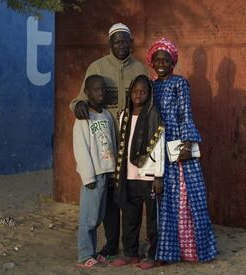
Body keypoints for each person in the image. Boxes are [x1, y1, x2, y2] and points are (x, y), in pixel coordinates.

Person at [69, 23, 148, 260]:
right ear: (109, 44)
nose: (121, 45)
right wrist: (78, 105)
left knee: (131, 195)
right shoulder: (97, 67)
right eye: (116, 41)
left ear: (131, 43)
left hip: (132, 143)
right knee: (111, 198)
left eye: (125, 41)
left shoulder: (139, 69)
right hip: (106, 148)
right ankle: (111, 244)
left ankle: (130, 246)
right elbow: (79, 100)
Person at [146, 38, 218, 262]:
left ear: (172, 62)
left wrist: (187, 142)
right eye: (157, 59)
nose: (161, 63)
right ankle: (166, 251)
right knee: (163, 199)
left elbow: (186, 114)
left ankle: (192, 251)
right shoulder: (151, 85)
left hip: (178, 147)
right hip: (157, 146)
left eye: (165, 60)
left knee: (185, 198)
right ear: (151, 62)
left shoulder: (180, 83)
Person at [111, 75, 165, 269]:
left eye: (143, 91)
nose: (139, 95)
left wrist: (158, 175)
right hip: (129, 175)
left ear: (149, 94)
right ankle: (130, 253)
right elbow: (122, 147)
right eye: (135, 91)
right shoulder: (124, 115)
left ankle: (153, 254)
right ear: (130, 93)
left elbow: (158, 147)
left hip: (149, 177)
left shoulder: (153, 115)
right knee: (130, 216)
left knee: (152, 219)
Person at [73, 75, 117, 268]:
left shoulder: (106, 115)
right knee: (89, 217)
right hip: (93, 174)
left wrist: (114, 169)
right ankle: (84, 255)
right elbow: (80, 149)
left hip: (107, 172)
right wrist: (87, 176)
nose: (101, 93)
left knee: (98, 216)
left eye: (103, 89)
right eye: (97, 90)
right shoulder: (83, 118)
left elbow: (113, 143)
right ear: (87, 93)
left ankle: (92, 251)